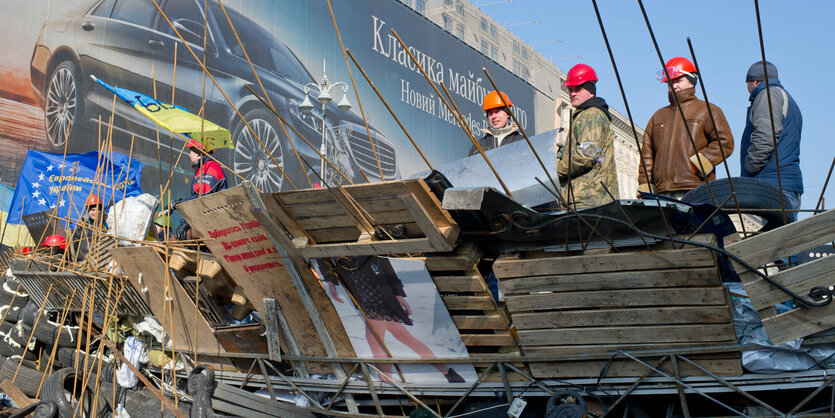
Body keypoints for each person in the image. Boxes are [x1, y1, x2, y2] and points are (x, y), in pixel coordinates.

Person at [321, 256, 465, 384]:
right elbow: (323, 262)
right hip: (366, 299)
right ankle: (448, 372)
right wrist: (331, 283)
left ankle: (385, 379)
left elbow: (385, 265)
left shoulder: (362, 249)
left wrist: (398, 295)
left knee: (373, 339)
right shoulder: (330, 253)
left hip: (377, 297)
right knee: (406, 338)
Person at [638, 57, 734, 200]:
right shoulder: (657, 117)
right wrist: (645, 188)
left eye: (678, 81)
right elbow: (647, 155)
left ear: (691, 81)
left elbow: (724, 142)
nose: (674, 86)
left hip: (695, 189)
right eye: (670, 82)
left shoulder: (708, 110)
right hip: (661, 192)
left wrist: (699, 164)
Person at [740, 61, 803, 218]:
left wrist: (750, 166)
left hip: (770, 186)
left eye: (747, 84)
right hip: (784, 184)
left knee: (761, 241)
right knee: (783, 241)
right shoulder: (786, 98)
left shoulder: (767, 94)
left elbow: (765, 135)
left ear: (754, 82)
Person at [557, 63, 619, 208]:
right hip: (589, 197)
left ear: (590, 90)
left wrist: (556, 169)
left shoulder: (591, 115)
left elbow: (586, 156)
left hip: (589, 198)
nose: (572, 93)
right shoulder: (586, 114)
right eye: (570, 89)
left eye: (578, 89)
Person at [174, 139, 228, 240]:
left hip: (214, 225)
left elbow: (202, 201)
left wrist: (185, 223)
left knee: (175, 240)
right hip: (207, 221)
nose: (189, 155)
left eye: (190, 151)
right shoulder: (204, 167)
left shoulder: (210, 168)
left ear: (199, 153)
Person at [468, 91, 524, 156]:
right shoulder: (478, 147)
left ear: (508, 114)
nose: (494, 116)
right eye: (490, 113)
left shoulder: (521, 141)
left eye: (497, 112)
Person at [72, 193, 103, 262]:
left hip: (101, 258)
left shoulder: (105, 222)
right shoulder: (82, 223)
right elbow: (75, 243)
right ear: (88, 211)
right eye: (92, 210)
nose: (95, 212)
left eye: (97, 210)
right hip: (84, 259)